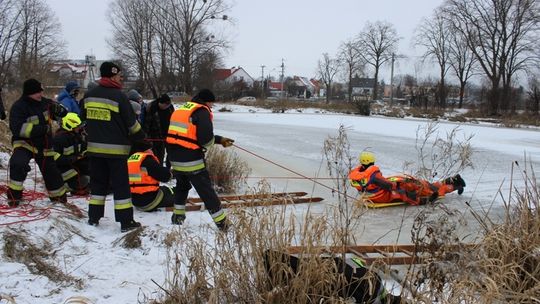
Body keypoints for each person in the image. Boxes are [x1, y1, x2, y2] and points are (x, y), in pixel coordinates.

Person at [81, 61, 146, 233]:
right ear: (112, 75)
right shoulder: (119, 97)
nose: (121, 79)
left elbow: (83, 120)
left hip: (94, 150)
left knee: (98, 185)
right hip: (116, 152)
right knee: (121, 187)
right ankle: (126, 222)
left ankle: (93, 218)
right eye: (119, 76)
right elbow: (132, 125)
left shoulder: (89, 95)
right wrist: (143, 139)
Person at [166, 89, 234, 230]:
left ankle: (177, 218)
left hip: (174, 158)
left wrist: (220, 140)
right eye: (211, 103)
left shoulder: (183, 109)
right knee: (206, 191)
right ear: (207, 101)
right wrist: (212, 142)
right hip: (191, 160)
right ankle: (222, 223)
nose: (211, 106)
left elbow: (188, 135)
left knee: (182, 187)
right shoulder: (202, 111)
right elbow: (205, 139)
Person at [7, 79, 69, 207]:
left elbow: (63, 113)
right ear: (28, 93)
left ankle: (58, 197)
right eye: (37, 93)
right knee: (18, 164)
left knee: (51, 172)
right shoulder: (19, 107)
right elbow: (18, 129)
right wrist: (43, 129)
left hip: (44, 145)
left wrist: (60, 110)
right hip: (25, 143)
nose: (40, 95)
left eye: (41, 92)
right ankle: (14, 197)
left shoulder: (45, 103)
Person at [348, 151, 466, 206]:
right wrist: (397, 184)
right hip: (382, 196)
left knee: (419, 185)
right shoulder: (373, 174)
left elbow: (369, 184)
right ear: (372, 161)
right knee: (411, 191)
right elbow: (388, 186)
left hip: (375, 196)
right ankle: (451, 185)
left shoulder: (357, 173)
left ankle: (451, 182)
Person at [127, 140, 174, 211]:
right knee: (175, 192)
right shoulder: (148, 160)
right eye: (150, 149)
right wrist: (172, 173)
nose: (152, 151)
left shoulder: (131, 160)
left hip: (135, 201)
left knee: (162, 188)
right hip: (150, 201)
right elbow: (165, 176)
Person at [53, 112, 90, 196]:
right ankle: (65, 186)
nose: (80, 128)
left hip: (73, 164)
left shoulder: (76, 136)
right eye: (77, 127)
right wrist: (71, 159)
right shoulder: (59, 139)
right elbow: (54, 158)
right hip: (62, 169)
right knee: (82, 181)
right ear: (70, 126)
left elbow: (83, 148)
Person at [143, 93, 173, 166]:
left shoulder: (170, 108)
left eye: (168, 105)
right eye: (165, 105)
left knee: (172, 153)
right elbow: (147, 124)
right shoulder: (152, 108)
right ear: (160, 103)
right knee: (159, 155)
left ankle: (168, 169)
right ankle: (159, 169)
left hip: (168, 135)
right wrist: (146, 138)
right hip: (155, 136)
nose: (166, 107)